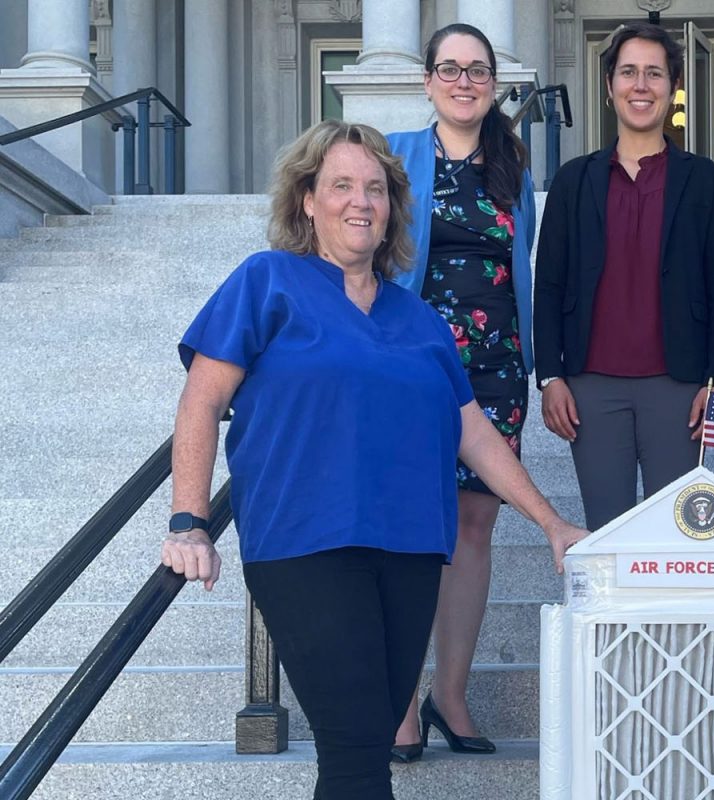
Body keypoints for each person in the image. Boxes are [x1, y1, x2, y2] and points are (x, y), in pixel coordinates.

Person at [160, 119, 587, 800]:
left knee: (368, 747)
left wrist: (551, 523)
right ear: (307, 199)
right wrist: (190, 520)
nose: (361, 201)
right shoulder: (266, 282)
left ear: (393, 206)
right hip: (306, 545)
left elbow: (472, 432)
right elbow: (201, 401)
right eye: (341, 186)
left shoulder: (418, 320)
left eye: (376, 188)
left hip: (411, 550)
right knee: (357, 749)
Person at [385, 22, 535, 762]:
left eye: (478, 70)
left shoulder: (515, 163)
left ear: (495, 83)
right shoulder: (397, 155)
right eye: (451, 68)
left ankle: (451, 693)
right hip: (415, 364)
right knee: (415, 526)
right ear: (428, 80)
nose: (465, 80)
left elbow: (525, 265)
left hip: (499, 364)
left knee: (475, 527)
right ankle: (400, 703)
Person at [534, 21, 714, 531]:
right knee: (608, 535)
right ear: (609, 87)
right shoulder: (572, 180)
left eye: (654, 73)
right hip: (590, 388)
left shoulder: (704, 178)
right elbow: (550, 284)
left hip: (682, 386)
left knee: (679, 535)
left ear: (673, 88)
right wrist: (550, 377)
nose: (640, 85)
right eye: (628, 72)